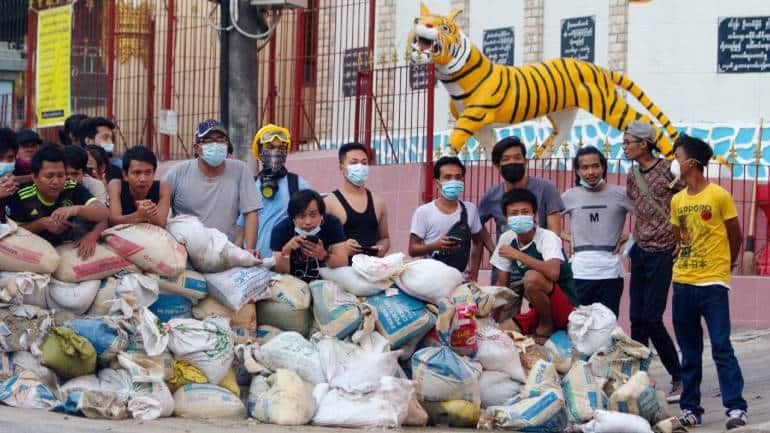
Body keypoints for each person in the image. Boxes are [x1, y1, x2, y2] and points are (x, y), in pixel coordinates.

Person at [669, 135, 747, 430]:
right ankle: (691, 408)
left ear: (692, 162)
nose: (675, 163)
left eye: (678, 156)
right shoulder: (677, 200)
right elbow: (680, 238)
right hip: (683, 282)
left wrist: (726, 263)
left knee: (721, 346)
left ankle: (736, 408)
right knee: (689, 350)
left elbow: (735, 233)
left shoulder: (719, 196)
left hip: (713, 283)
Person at [623, 120, 683, 400]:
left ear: (643, 144)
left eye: (628, 143)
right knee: (636, 318)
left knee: (653, 317)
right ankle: (639, 378)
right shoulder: (632, 175)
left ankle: (678, 375)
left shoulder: (669, 168)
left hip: (664, 251)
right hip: (641, 251)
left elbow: (685, 204)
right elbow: (639, 209)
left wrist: (681, 240)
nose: (624, 148)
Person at [490, 188, 577, 343]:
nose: (520, 217)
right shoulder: (506, 238)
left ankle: (546, 327)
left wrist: (518, 255)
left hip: (566, 307)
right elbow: (502, 284)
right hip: (540, 310)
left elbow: (553, 272)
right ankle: (542, 323)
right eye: (514, 213)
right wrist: (491, 321)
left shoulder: (547, 237)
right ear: (506, 217)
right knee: (498, 332)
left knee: (531, 277)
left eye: (525, 212)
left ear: (534, 214)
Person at [474, 137, 564, 281]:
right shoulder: (492, 195)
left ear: (525, 161)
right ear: (497, 165)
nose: (512, 162)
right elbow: (477, 224)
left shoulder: (546, 189)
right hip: (506, 268)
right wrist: (493, 249)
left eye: (517, 157)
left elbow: (555, 231)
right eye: (506, 159)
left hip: (539, 269)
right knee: (502, 301)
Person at [164, 119, 261, 252]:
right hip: (187, 256)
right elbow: (160, 214)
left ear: (227, 144)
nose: (216, 145)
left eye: (220, 140)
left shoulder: (240, 170)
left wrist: (250, 250)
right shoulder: (177, 174)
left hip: (226, 254)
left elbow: (251, 213)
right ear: (196, 148)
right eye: (209, 141)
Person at [562, 146, 633, 316]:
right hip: (579, 271)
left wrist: (630, 237)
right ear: (577, 171)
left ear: (603, 167)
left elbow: (649, 218)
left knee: (606, 324)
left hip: (610, 273)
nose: (591, 172)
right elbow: (549, 224)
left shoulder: (620, 193)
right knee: (578, 323)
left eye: (595, 166)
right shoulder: (569, 196)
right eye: (585, 168)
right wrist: (570, 238)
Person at [6, 144, 109, 258]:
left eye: (60, 175)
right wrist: (41, 224)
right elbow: (13, 233)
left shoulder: (72, 187)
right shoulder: (22, 196)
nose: (56, 182)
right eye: (49, 176)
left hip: (67, 247)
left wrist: (76, 209)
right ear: (35, 177)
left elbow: (103, 213)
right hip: (33, 249)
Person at [236, 124, 311, 258]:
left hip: (287, 265)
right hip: (256, 266)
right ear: (259, 152)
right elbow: (241, 231)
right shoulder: (251, 185)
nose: (276, 152)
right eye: (270, 147)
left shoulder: (299, 185)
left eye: (281, 148)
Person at [409, 156, 484, 279]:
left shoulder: (470, 210)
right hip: (431, 279)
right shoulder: (423, 212)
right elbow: (412, 250)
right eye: (448, 177)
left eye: (458, 177)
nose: (453, 181)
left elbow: (478, 241)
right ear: (437, 183)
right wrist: (434, 246)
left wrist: (474, 274)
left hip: (460, 280)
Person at [325, 142, 390, 260]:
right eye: (354, 162)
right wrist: (341, 248)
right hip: (342, 269)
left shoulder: (378, 202)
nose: (360, 167)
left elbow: (385, 238)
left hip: (372, 268)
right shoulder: (329, 203)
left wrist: (382, 247)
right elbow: (320, 243)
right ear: (341, 167)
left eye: (364, 163)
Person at [270, 189, 348, 282]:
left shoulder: (332, 224)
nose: (308, 222)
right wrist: (286, 251)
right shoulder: (281, 229)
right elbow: (279, 271)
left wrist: (323, 255)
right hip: (294, 284)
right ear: (293, 218)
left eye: (313, 215)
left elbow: (343, 262)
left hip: (326, 281)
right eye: (301, 216)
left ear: (322, 215)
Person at [108, 145, 170, 227]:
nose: (143, 179)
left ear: (154, 173)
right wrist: (138, 216)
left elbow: (161, 224)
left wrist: (150, 213)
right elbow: (113, 221)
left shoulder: (163, 187)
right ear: (125, 175)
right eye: (137, 173)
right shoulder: (116, 185)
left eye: (148, 172)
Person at [77, 117, 122, 182]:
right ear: (88, 141)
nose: (111, 143)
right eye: (105, 138)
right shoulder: (74, 168)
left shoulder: (117, 170)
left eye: (112, 139)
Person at [0, 128, 19, 222]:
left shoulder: (21, 166)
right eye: (0, 158)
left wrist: (18, 180)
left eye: (10, 157)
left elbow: (34, 175)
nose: (5, 163)